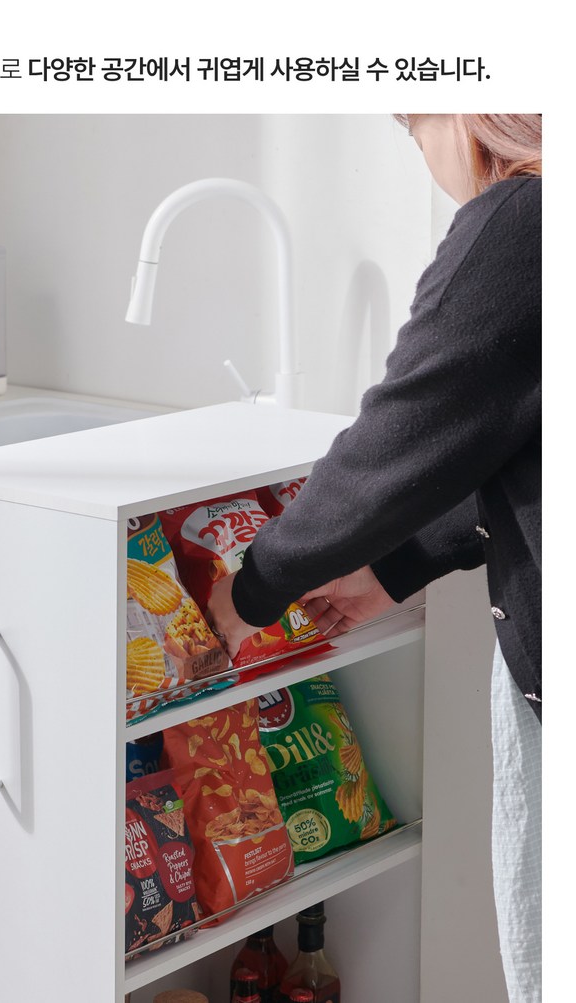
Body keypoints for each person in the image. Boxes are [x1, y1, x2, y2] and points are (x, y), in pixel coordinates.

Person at [206, 114, 541, 1003]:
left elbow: (405, 430)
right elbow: (528, 444)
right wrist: (391, 568)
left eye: (414, 128)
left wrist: (254, 587)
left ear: (468, 112)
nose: (426, 157)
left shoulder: (527, 215)